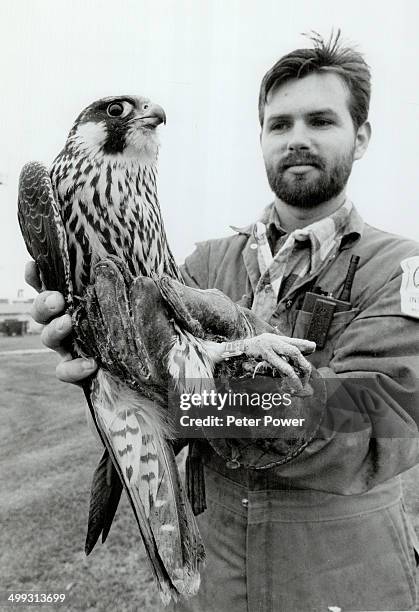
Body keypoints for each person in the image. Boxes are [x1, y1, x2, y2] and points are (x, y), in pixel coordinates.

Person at [27, 33, 419, 611]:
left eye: (321, 120)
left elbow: (381, 421)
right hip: (221, 582)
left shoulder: (401, 268)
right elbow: (146, 374)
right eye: (279, 124)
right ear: (261, 138)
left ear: (360, 137)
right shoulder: (206, 263)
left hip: (345, 580)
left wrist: (188, 396)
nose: (298, 138)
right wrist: (92, 350)